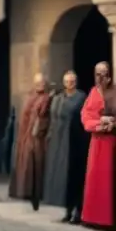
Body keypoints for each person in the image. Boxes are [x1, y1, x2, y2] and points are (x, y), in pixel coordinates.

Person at [43, 70, 88, 223]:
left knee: (75, 176)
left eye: (72, 81)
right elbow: (52, 118)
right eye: (67, 81)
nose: (70, 84)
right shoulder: (58, 98)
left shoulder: (81, 97)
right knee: (62, 177)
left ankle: (78, 211)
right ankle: (67, 211)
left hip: (75, 142)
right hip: (59, 142)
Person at [80, 61, 116, 230]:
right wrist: (98, 122)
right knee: (96, 179)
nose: (101, 77)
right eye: (98, 73)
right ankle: (94, 218)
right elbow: (86, 115)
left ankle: (110, 219)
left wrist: (112, 123)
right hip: (97, 143)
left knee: (110, 180)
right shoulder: (93, 93)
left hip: (112, 143)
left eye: (104, 73)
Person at [10, 73, 52, 210]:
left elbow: (43, 116)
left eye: (42, 82)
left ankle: (37, 194)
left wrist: (38, 130)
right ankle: (26, 191)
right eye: (38, 82)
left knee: (36, 163)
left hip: (37, 135)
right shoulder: (30, 96)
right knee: (26, 163)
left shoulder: (46, 98)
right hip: (25, 134)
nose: (40, 84)